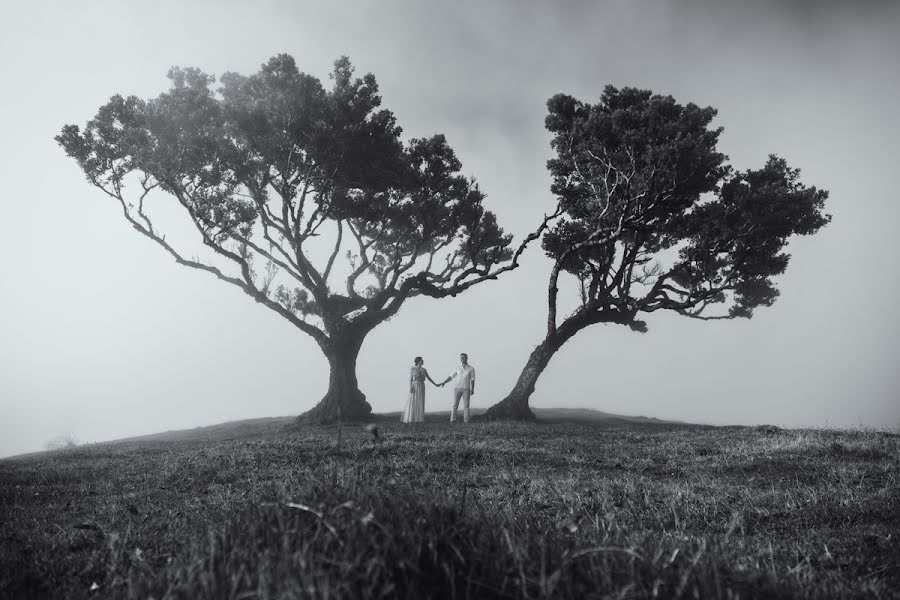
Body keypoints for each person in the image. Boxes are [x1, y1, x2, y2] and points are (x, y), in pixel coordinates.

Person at [439, 353, 476, 423]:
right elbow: (451, 376)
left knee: (466, 406)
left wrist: (472, 389)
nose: (462, 359)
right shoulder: (457, 367)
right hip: (457, 388)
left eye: (463, 357)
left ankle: (466, 421)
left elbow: (473, 379)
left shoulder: (471, 368)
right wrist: (444, 382)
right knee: (455, 405)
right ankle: (453, 420)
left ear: (467, 358)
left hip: (466, 389)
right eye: (461, 358)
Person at [401, 356, 438, 423]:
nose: (422, 361)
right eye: (421, 360)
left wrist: (436, 384)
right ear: (418, 361)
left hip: (421, 385)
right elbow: (411, 379)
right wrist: (410, 387)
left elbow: (429, 378)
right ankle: (411, 418)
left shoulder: (424, 369)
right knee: (413, 401)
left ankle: (419, 419)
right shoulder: (413, 369)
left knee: (420, 401)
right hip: (414, 385)